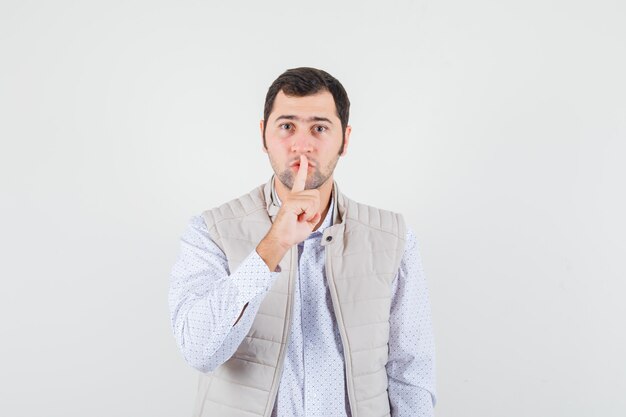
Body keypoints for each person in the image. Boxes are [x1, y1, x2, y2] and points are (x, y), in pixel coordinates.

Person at [168, 67, 437, 417]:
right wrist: (271, 248)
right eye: (287, 126)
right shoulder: (210, 232)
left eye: (320, 128)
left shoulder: (394, 238)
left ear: (345, 139)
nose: (302, 145)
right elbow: (199, 351)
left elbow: (410, 372)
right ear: (264, 135)